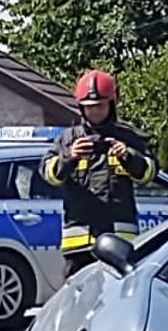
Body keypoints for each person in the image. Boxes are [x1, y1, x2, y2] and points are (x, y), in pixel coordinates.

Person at [42, 70, 156, 274]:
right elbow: (48, 174)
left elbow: (149, 173)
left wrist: (128, 156)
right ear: (81, 108)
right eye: (89, 107)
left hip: (119, 242)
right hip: (79, 246)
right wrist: (69, 157)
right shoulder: (68, 139)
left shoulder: (128, 137)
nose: (94, 111)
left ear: (111, 105)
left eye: (100, 106)